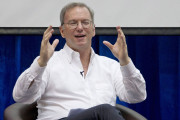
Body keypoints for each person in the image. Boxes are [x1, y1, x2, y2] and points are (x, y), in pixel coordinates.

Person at [13, 2, 147, 120]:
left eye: (85, 22)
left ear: (93, 30)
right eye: (73, 23)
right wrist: (41, 63)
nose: (80, 27)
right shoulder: (47, 63)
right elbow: (21, 97)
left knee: (104, 111)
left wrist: (125, 62)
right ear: (62, 31)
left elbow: (137, 96)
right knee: (104, 110)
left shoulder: (110, 65)